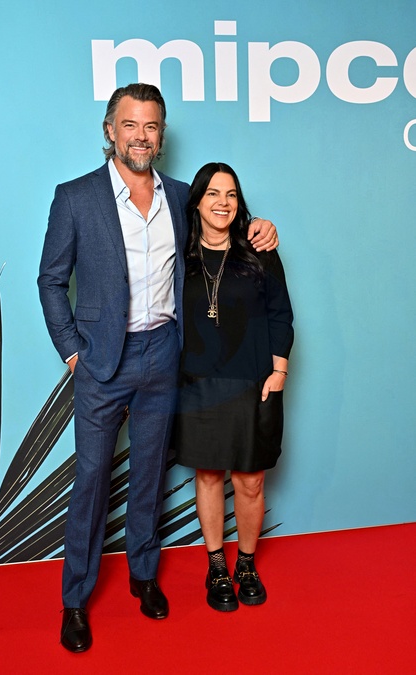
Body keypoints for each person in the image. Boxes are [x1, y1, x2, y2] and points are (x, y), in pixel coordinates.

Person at [38, 83, 279, 653]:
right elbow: (50, 280)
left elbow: (223, 228)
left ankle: (144, 576)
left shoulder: (180, 196)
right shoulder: (75, 197)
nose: (140, 136)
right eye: (130, 125)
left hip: (164, 353)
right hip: (102, 359)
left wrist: (261, 228)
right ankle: (75, 600)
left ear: (161, 135)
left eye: (151, 126)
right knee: (92, 481)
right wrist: (72, 351)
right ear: (110, 131)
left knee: (149, 474)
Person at [174, 162, 294, 612]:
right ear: (197, 202)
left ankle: (245, 564)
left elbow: (281, 313)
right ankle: (216, 566)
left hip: (253, 382)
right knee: (208, 476)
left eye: (231, 194)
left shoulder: (259, 251)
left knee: (250, 481)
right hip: (197, 384)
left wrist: (279, 372)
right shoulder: (179, 255)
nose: (222, 203)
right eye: (213, 194)